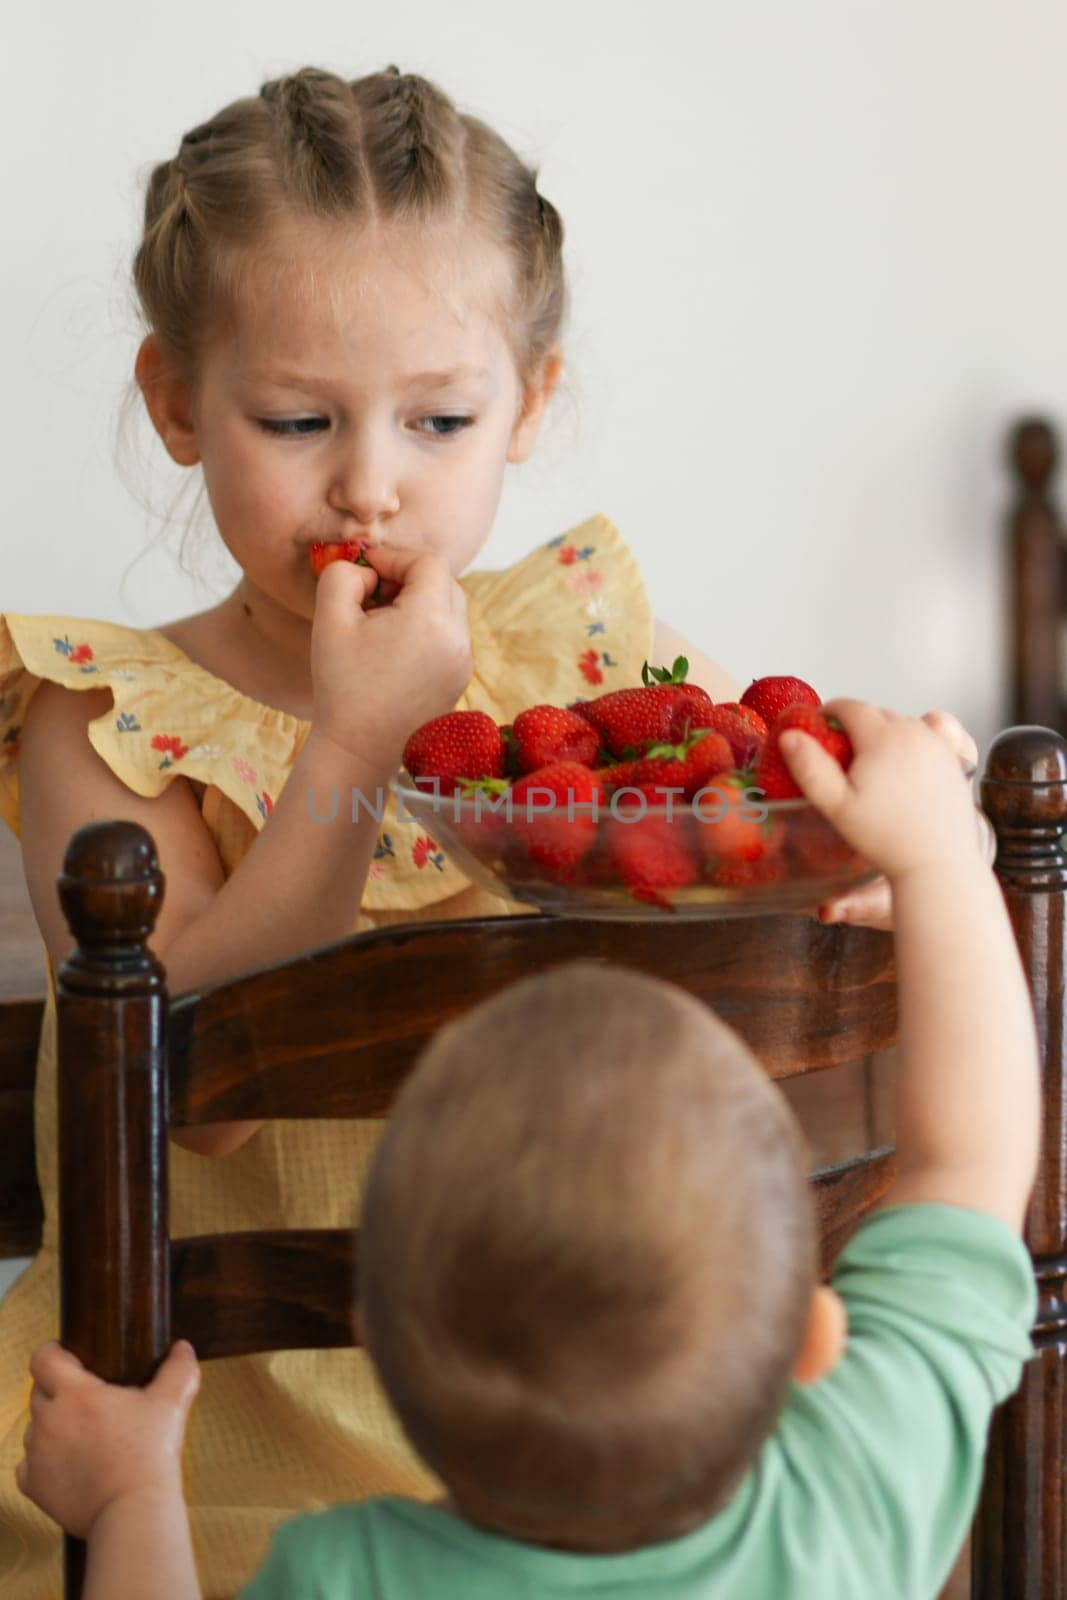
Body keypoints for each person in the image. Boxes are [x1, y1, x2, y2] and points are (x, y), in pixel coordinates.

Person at [0, 64, 983, 1598]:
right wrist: (357, 738)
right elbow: (196, 1090)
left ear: (529, 403)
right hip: (202, 1480)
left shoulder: (578, 659)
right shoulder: (99, 716)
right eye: (297, 416)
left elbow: (754, 830)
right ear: (178, 403)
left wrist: (867, 861)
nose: (370, 486)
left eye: (439, 418)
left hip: (582, 1452)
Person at [17, 698, 1039, 1600]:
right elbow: (969, 1159)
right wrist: (939, 859)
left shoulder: (347, 1573)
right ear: (811, 1333)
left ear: (378, 1337)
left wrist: (131, 1497)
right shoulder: (851, 1494)